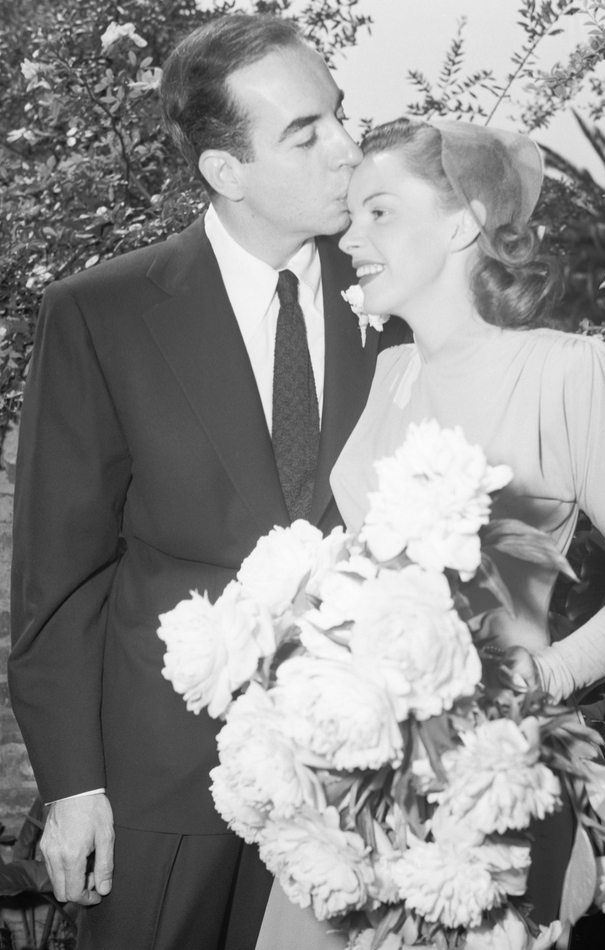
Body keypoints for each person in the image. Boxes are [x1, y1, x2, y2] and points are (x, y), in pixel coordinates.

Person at [8, 14, 405, 950]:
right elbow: (58, 581)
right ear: (227, 173)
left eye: (341, 116)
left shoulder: (400, 300)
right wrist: (73, 785)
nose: (350, 149)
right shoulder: (99, 314)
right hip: (163, 789)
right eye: (307, 133)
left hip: (358, 789)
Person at [329, 119, 605, 935]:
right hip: (364, 775)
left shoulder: (563, 369)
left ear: (461, 223)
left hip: (491, 782)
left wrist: (546, 677)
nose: (350, 237)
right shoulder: (391, 370)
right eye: (352, 215)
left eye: (379, 211)